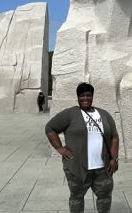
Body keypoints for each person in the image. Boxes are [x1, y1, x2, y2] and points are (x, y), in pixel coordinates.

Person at [45, 83, 119, 213]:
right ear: (78, 97)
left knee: (105, 197)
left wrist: (114, 159)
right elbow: (50, 128)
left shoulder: (104, 114)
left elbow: (114, 137)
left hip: (102, 168)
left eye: (88, 95)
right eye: (82, 95)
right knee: (77, 198)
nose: (85, 98)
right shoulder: (70, 114)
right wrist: (60, 148)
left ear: (92, 96)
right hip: (77, 167)